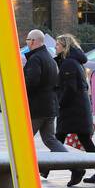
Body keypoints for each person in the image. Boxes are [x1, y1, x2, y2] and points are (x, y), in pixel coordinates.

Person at [54, 33, 95, 187]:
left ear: (64, 46)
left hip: (72, 109)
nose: (55, 47)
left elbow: (69, 88)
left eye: (57, 44)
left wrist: (60, 104)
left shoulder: (69, 63)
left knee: (57, 139)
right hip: (78, 108)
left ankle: (52, 169)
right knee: (82, 140)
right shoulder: (73, 62)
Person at [23, 28, 67, 177]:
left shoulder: (35, 59)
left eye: (28, 40)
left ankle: (25, 171)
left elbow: (31, 82)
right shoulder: (49, 57)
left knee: (24, 140)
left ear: (34, 41)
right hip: (49, 106)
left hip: (37, 108)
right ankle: (76, 166)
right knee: (50, 139)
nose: (27, 43)